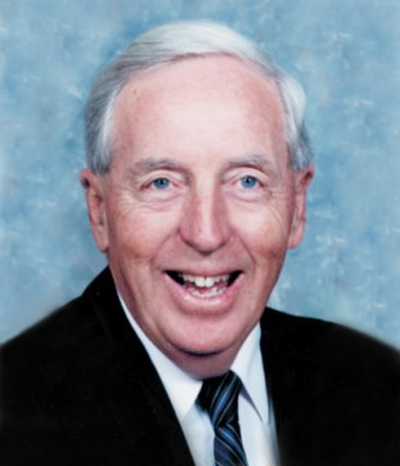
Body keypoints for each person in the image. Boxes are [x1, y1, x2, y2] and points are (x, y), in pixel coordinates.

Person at [1, 21, 400, 466]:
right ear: (99, 212)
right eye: (161, 183)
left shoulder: (381, 387)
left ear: (297, 206)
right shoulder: (13, 418)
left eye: (247, 181)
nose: (206, 234)